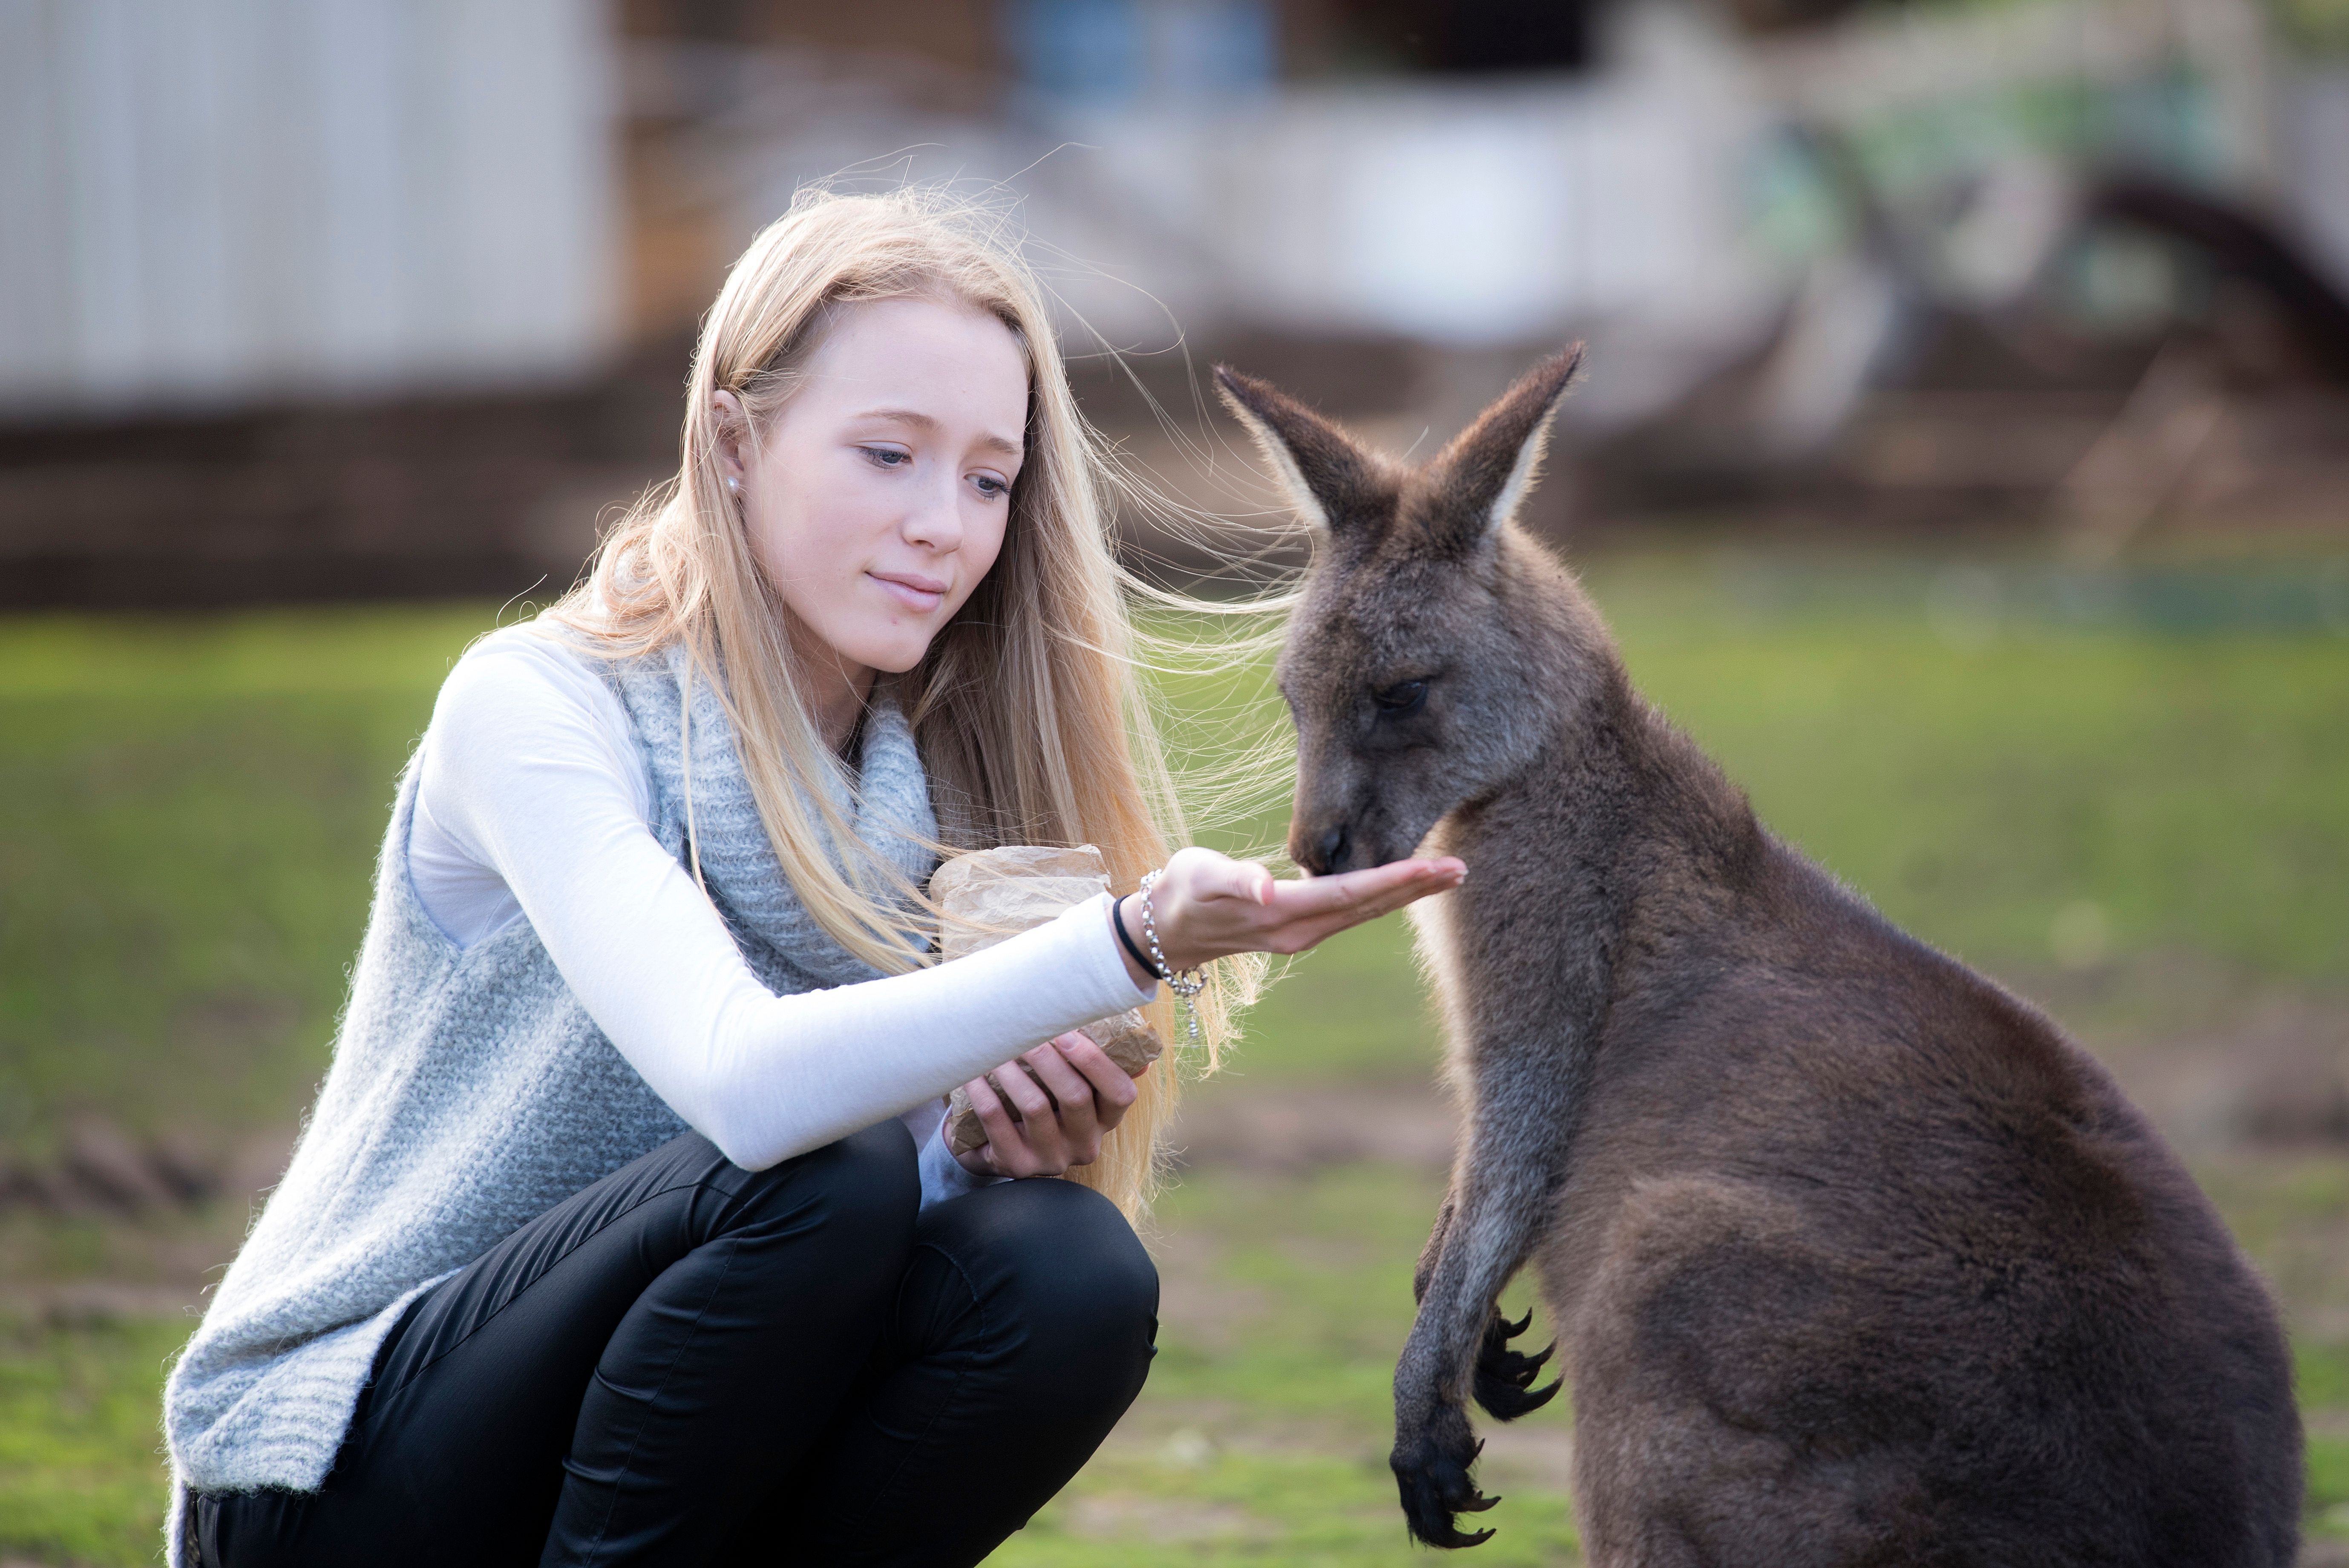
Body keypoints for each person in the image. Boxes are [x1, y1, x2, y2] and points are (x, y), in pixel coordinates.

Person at [160, 187, 1465, 1568]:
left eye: (987, 479)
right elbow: (748, 1087)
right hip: (330, 1476)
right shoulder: (538, 708)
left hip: (626, 1465)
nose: (943, 525)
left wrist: (969, 1155)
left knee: (1064, 1271)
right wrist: (1131, 938)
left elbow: (794, 1277)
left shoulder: (943, 793)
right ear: (733, 442)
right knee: (819, 1170)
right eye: (888, 454)